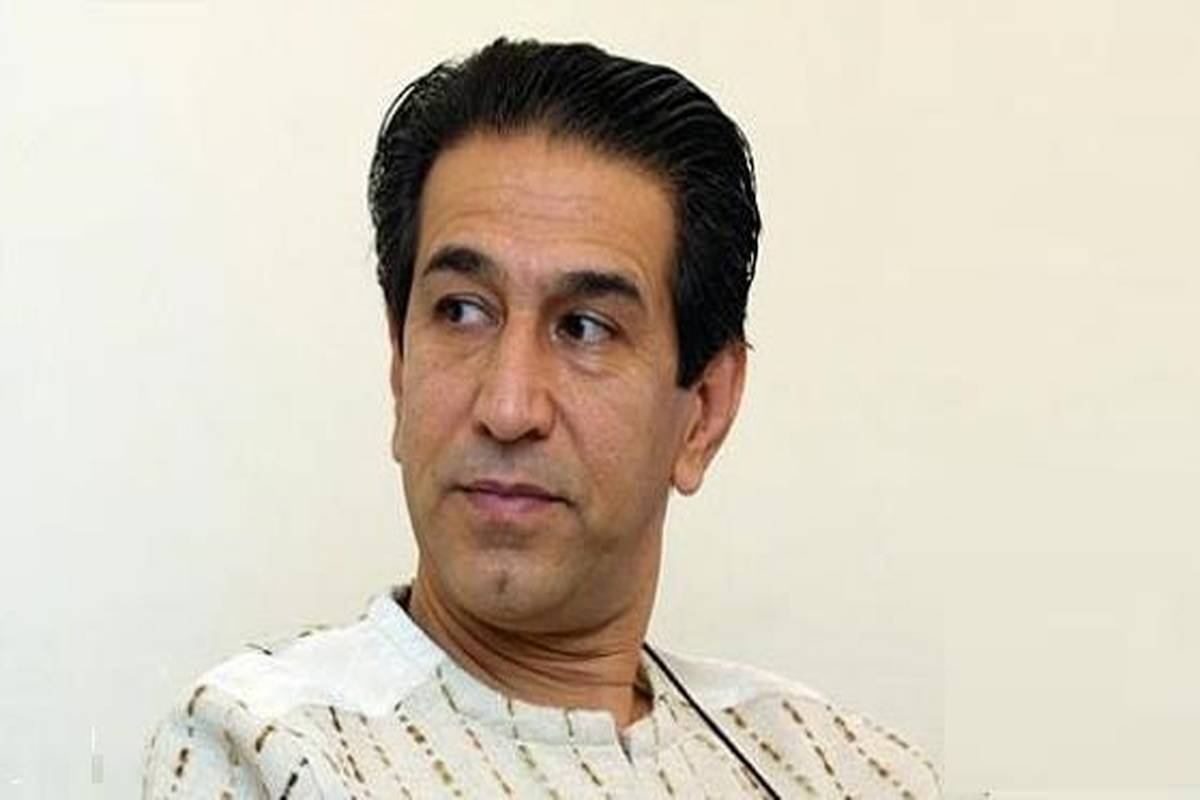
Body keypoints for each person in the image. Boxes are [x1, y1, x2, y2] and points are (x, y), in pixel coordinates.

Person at [144, 38, 941, 799]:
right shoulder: (264, 746)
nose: (507, 408)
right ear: (399, 368)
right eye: (461, 311)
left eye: (584, 328)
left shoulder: (847, 770)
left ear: (703, 413)